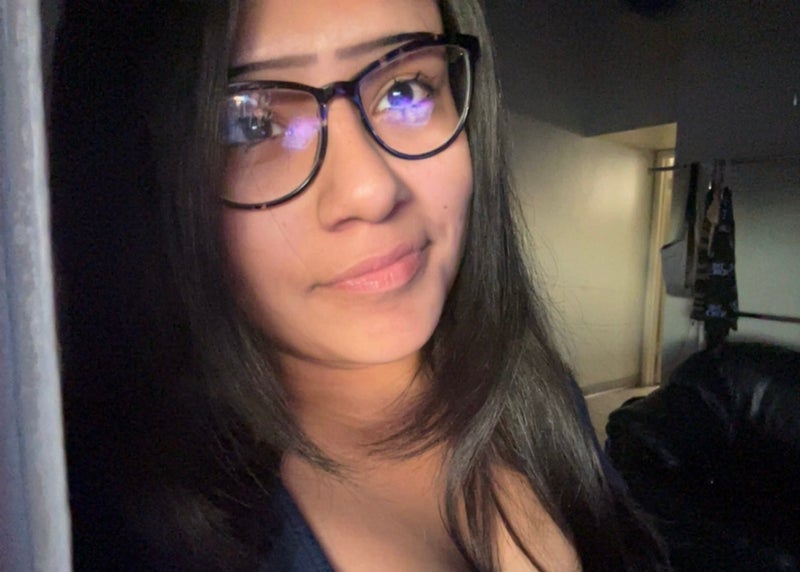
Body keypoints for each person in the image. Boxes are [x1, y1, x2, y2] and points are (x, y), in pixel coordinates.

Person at [54, 1, 670, 570]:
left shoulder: (535, 392)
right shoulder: (120, 525)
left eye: (405, 90)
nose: (371, 191)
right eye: (249, 125)